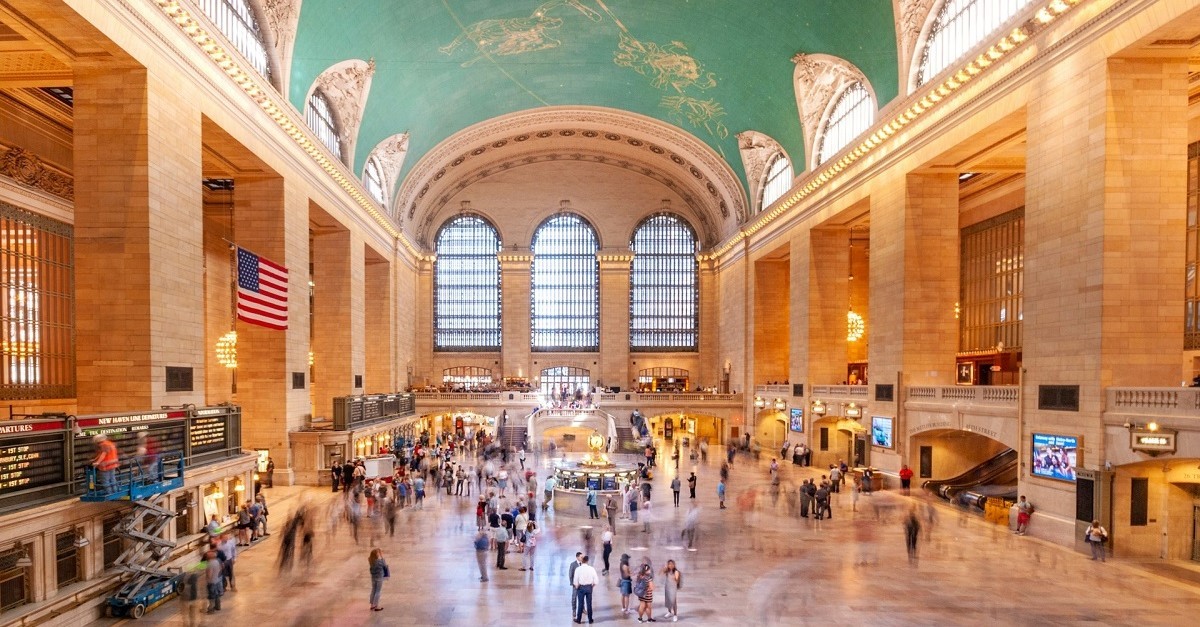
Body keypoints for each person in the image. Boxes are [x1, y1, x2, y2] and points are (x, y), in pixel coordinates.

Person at [573, 555, 599, 624]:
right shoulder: (591, 569)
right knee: (589, 604)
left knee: (580, 604)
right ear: (587, 561)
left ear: (582, 561)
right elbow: (596, 580)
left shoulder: (578, 569)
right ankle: (590, 620)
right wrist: (592, 586)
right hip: (589, 587)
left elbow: (575, 580)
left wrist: (577, 586)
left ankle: (579, 619)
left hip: (581, 588)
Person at [568, 552, 583, 618]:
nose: (582, 558)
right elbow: (570, 574)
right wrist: (572, 583)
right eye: (581, 557)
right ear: (577, 557)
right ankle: (574, 610)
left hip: (583, 583)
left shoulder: (583, 564)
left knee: (582, 597)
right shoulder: (573, 564)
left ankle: (583, 608)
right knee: (574, 597)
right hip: (576, 584)